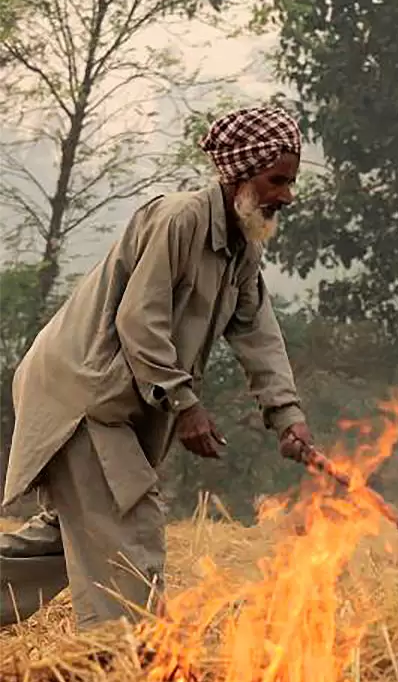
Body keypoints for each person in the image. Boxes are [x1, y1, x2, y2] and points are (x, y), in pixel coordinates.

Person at [0, 105, 316, 629]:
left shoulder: (244, 243)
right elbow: (138, 321)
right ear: (239, 174)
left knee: (72, 538)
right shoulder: (179, 219)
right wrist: (185, 403)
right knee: (129, 518)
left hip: (112, 401)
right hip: (84, 393)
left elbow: (258, 332)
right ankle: (123, 662)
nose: (286, 195)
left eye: (290, 182)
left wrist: (288, 416)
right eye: (276, 180)